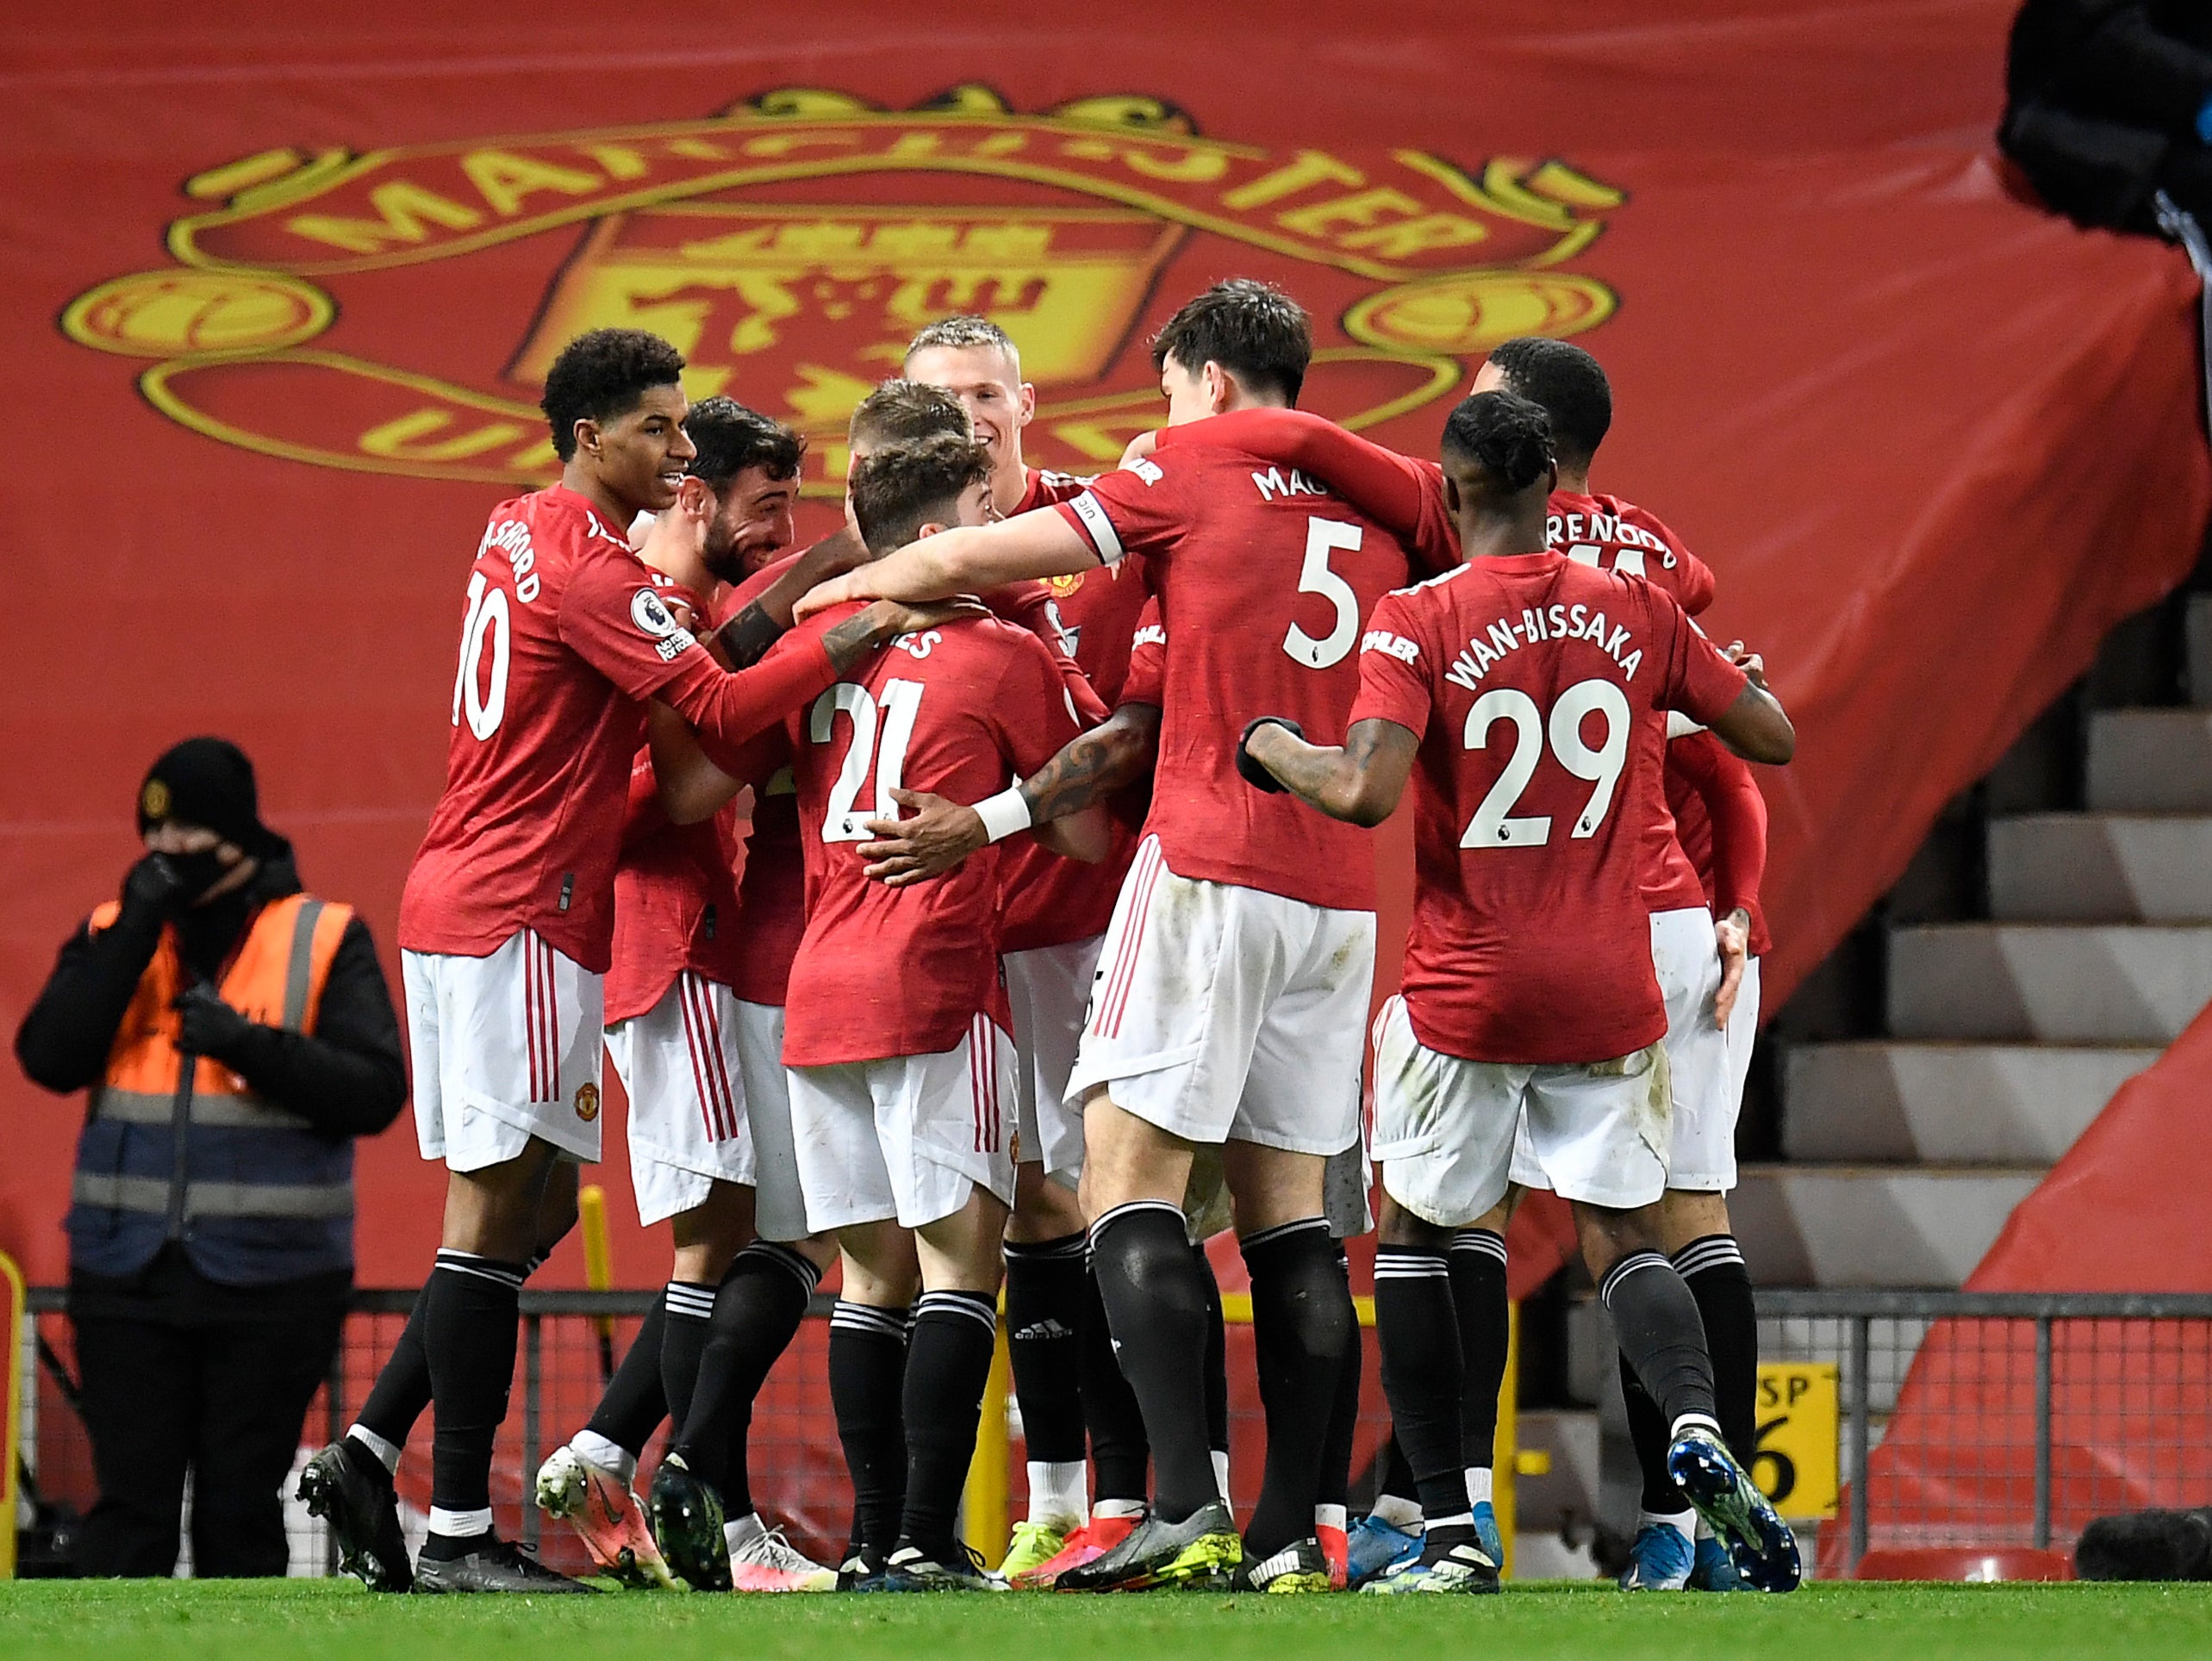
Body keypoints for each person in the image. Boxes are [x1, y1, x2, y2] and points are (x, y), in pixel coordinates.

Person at [297, 327, 969, 1594]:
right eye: (659, 428)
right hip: (532, 909)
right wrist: (868, 618)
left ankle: (377, 1450)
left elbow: (693, 653)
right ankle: (460, 1533)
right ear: (590, 434)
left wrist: (817, 571)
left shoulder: (515, 526)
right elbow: (711, 713)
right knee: (510, 1224)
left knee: (530, 1209)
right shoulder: (596, 575)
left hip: (463, 893)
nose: (677, 451)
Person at [800, 279, 1428, 1593]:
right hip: (1333, 886)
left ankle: (1175, 1505)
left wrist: (842, 595)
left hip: (1199, 865)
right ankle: (1294, 1531)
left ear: (1198, 380)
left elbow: (976, 560)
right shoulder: (1386, 504)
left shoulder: (1173, 471)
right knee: (1290, 1226)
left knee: (1117, 1190)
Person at [1234, 389, 1801, 1596]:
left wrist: (1272, 745)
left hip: (1469, 987)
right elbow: (1765, 735)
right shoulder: (1637, 608)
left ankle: (1445, 1533)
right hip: (1608, 983)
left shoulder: (1415, 616)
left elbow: (1364, 792)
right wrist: (1694, 681)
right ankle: (1694, 1426)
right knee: (1624, 1235)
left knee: (1425, 1235)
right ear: (1553, 489)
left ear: (1447, 495)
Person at [532, 398, 841, 1595]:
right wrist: (836, 585)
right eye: (766, 508)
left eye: (794, 513)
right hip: (676, 949)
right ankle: (703, 1499)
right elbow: (673, 785)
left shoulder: (695, 612)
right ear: (694, 496)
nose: (781, 532)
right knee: (735, 1235)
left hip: (689, 949)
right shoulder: (651, 614)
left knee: (755, 1238)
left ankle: (616, 1453)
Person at [15, 738, 405, 1577]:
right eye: (152, 836)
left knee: (238, 1509)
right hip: (125, 1274)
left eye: (187, 834)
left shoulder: (323, 933)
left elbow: (374, 1090)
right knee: (130, 1513)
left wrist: (246, 1044)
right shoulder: (116, 930)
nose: (166, 855)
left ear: (235, 836)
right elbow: (50, 1054)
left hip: (272, 1278)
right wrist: (132, 934)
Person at [900, 316, 1152, 1578]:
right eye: (940, 399)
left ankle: (1128, 1498)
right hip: (941, 938)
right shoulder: (894, 555)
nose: (968, 417)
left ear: (1027, 403)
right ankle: (1054, 1504)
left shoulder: (1098, 535)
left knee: (1105, 1199)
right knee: (1003, 1221)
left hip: (1078, 926)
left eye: (985, 394)